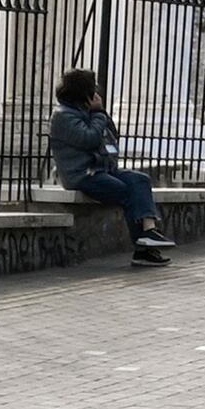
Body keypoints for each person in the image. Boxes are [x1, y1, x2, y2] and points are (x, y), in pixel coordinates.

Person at [51, 68, 171, 265]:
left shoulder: (85, 111)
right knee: (125, 191)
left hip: (102, 168)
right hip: (82, 174)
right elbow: (88, 139)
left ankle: (150, 231)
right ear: (83, 92)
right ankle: (143, 250)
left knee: (140, 179)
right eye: (92, 89)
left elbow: (111, 134)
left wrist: (101, 113)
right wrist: (98, 113)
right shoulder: (62, 115)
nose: (96, 93)